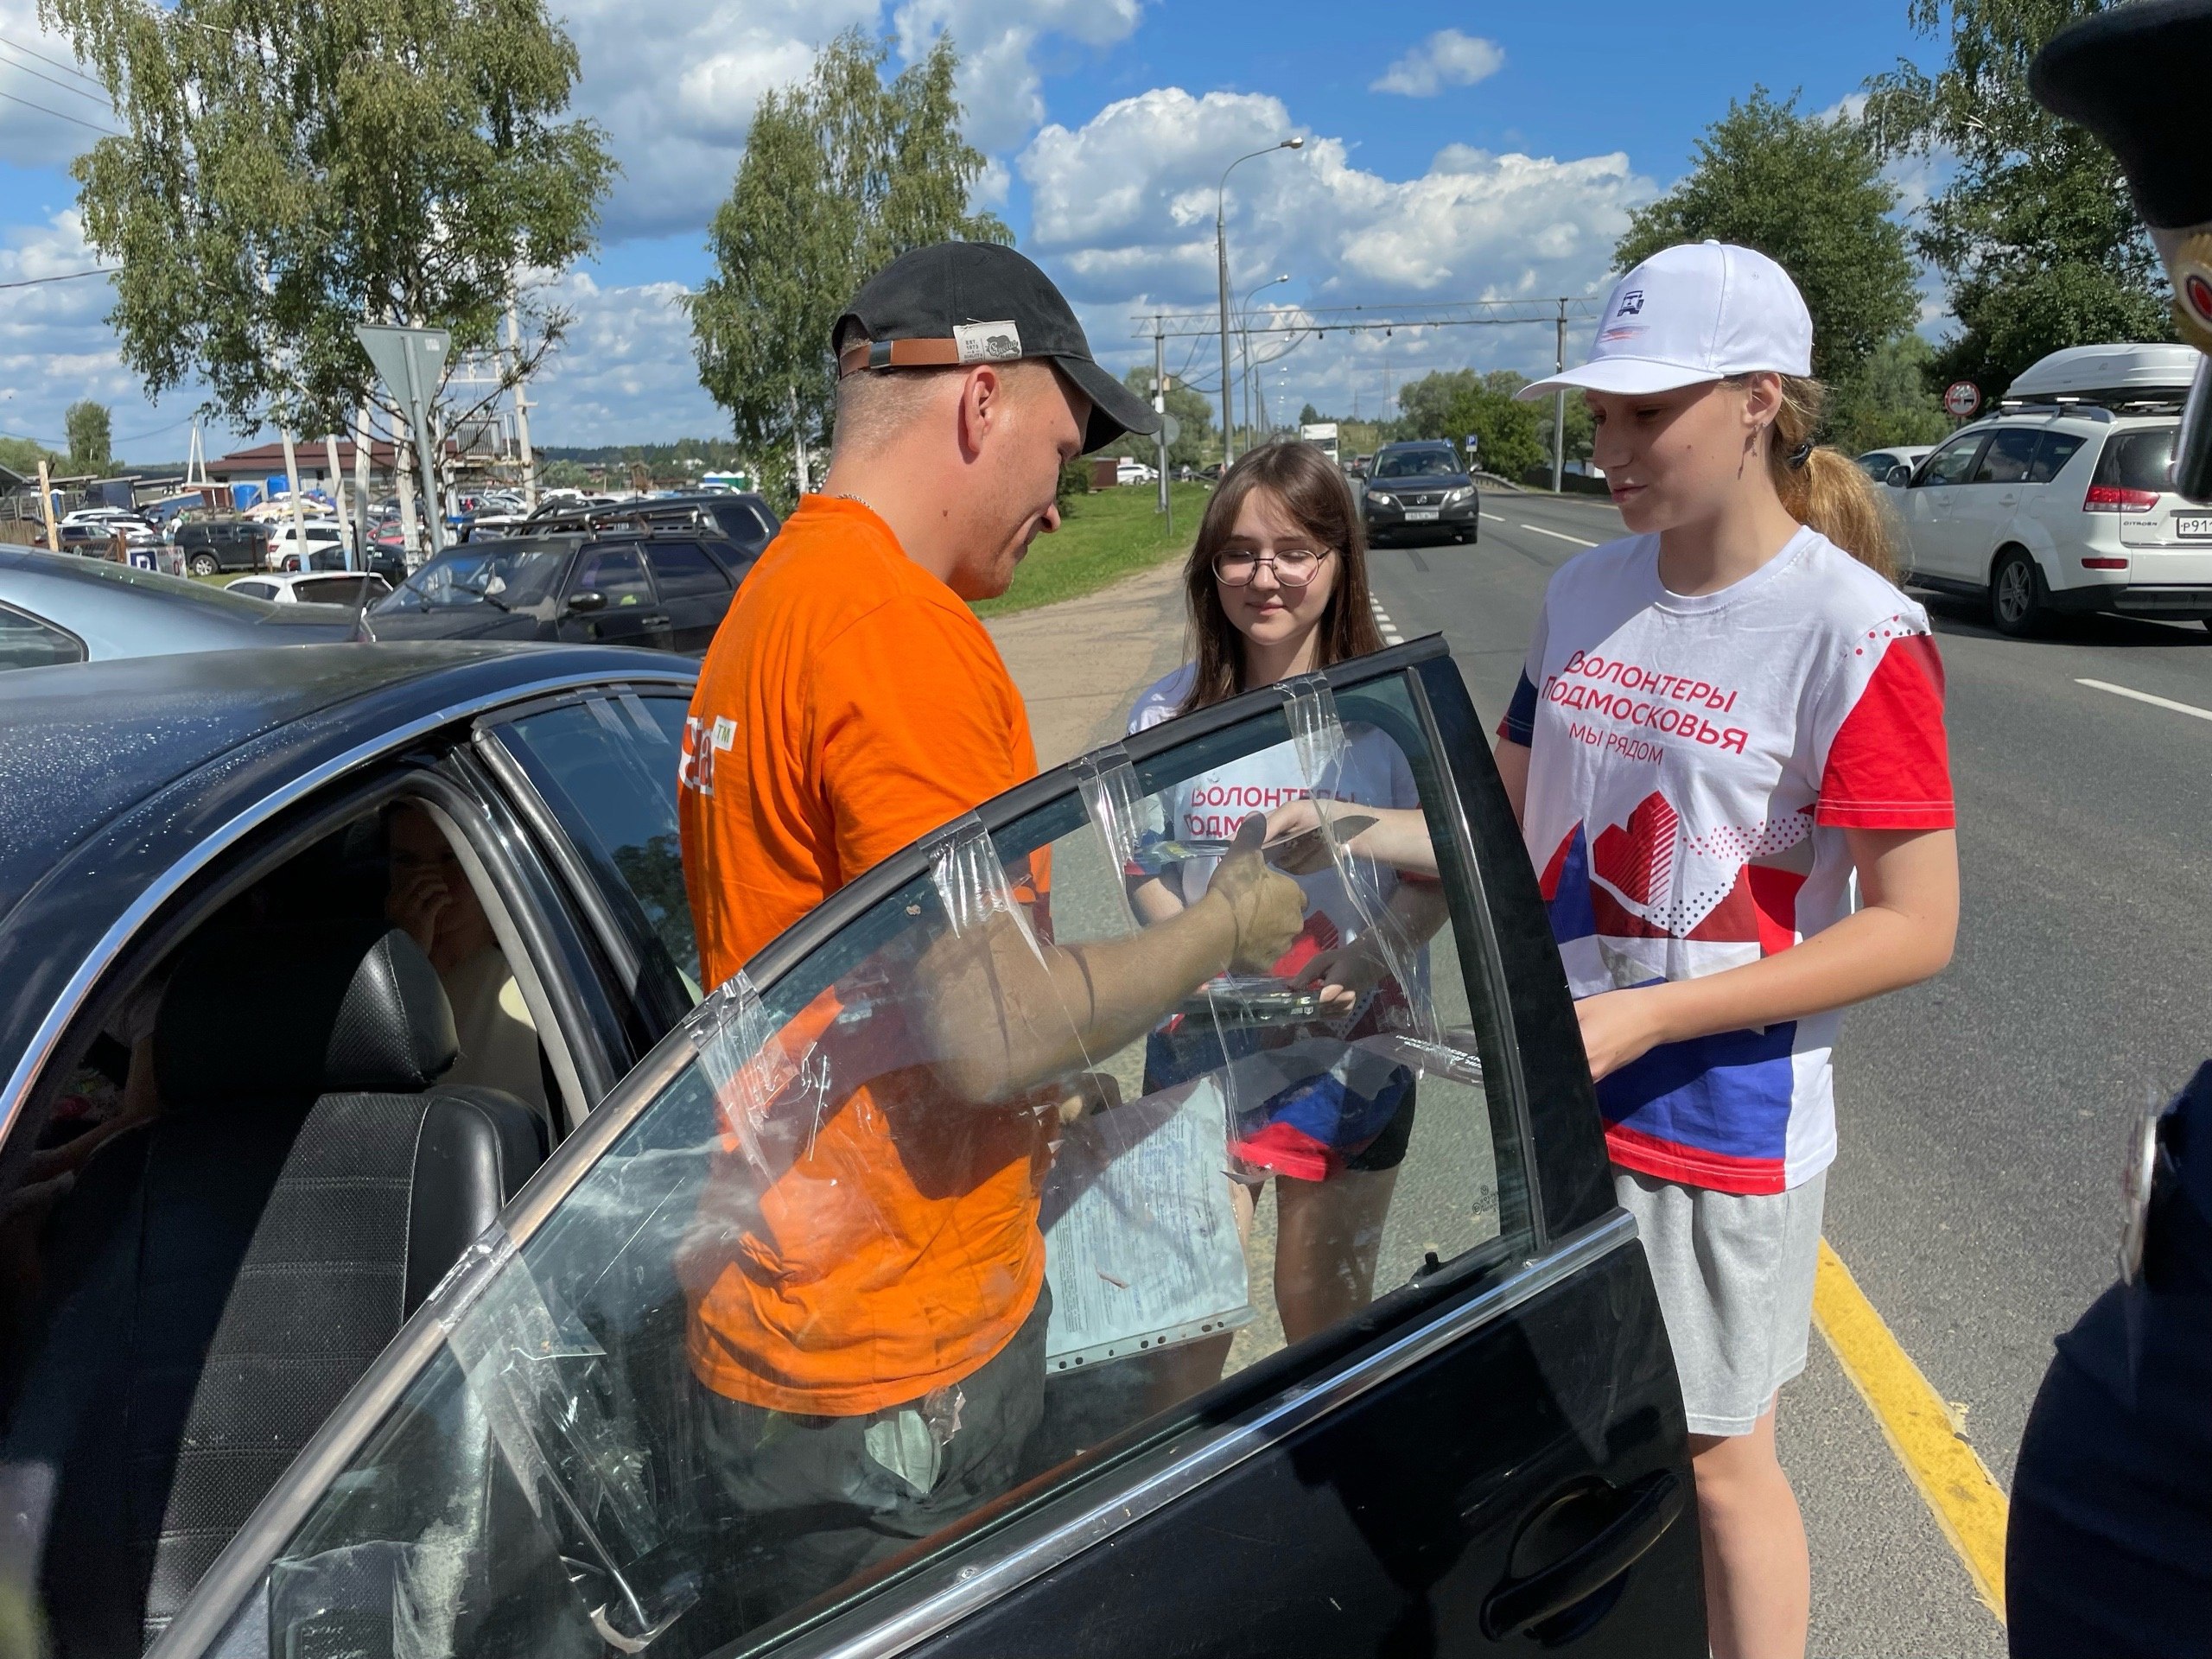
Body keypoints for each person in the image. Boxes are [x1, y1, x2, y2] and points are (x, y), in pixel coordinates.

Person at [675, 241, 1306, 1595]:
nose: (1067, 509)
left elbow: (858, 980)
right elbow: (994, 1026)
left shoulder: (773, 602)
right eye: (1065, 456)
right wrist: (1227, 926)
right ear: (978, 405)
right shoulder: (899, 634)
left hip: (789, 1317)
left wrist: (1032, 1101)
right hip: (896, 1361)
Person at [1494, 242, 1959, 1659]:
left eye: (1649, 412)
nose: (1611, 443)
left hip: (1720, 1118)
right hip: (1563, 1096)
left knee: (1717, 1465)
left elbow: (1915, 926)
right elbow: (1512, 817)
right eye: (1604, 413)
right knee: (1585, 1440)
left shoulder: (1854, 632)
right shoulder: (1584, 592)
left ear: (1762, 399)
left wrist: (1648, 1022)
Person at [1124, 441, 1448, 1369]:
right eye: (1238, 552)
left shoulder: (1391, 712)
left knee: (1322, 1317)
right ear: (1209, 569)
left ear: (1339, 560)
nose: (1264, 576)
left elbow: (1449, 864)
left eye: (1294, 549)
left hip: (1356, 1058)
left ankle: (1332, 1501)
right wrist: (1200, 960)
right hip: (1204, 1050)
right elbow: (1139, 860)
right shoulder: (1164, 715)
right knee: (1187, 1322)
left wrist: (1373, 949)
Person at [382, 803, 548, 1116]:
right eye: (406, 862)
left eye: (450, 857)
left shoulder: (546, 988)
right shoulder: (368, 991)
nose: (428, 881)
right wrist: (407, 960)